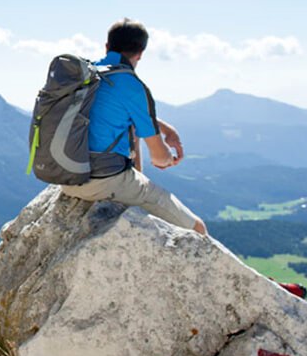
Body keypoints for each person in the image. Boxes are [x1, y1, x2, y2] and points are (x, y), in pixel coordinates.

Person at [59, 18, 208, 235]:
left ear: (107, 47)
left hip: (66, 175)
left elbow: (109, 113)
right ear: (140, 53)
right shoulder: (132, 86)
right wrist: (170, 158)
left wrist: (165, 128)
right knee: (197, 228)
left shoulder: (86, 75)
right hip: (102, 182)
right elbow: (159, 157)